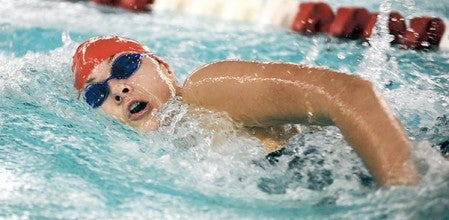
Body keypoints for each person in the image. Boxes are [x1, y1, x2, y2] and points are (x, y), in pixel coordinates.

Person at [72, 35, 419, 186]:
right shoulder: (161, 153)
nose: (117, 89)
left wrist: (408, 194)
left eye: (125, 66)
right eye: (97, 93)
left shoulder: (206, 91)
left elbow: (350, 92)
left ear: (164, 67)